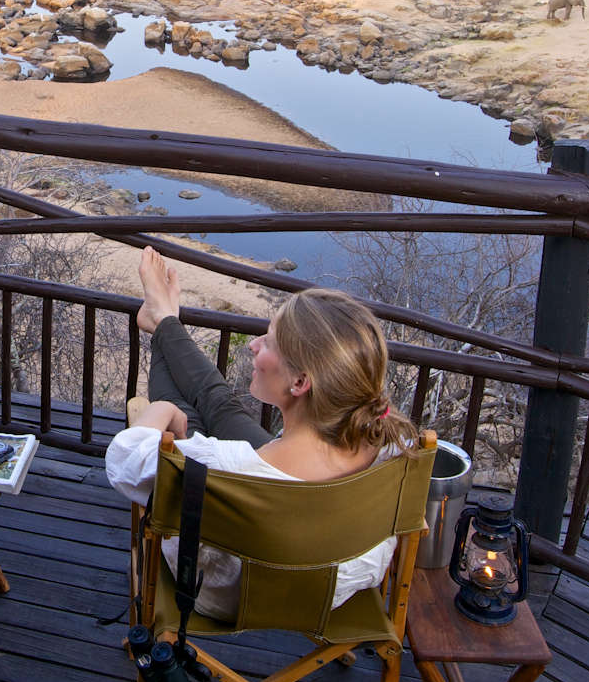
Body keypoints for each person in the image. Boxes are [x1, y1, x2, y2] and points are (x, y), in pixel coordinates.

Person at [107, 247, 419, 621]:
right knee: (221, 405)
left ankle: (162, 321)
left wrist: (161, 411)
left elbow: (125, 458)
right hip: (326, 588)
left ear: (301, 381)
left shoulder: (223, 465)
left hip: (232, 594)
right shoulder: (395, 449)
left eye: (269, 342)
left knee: (185, 411)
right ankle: (164, 321)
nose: (254, 345)